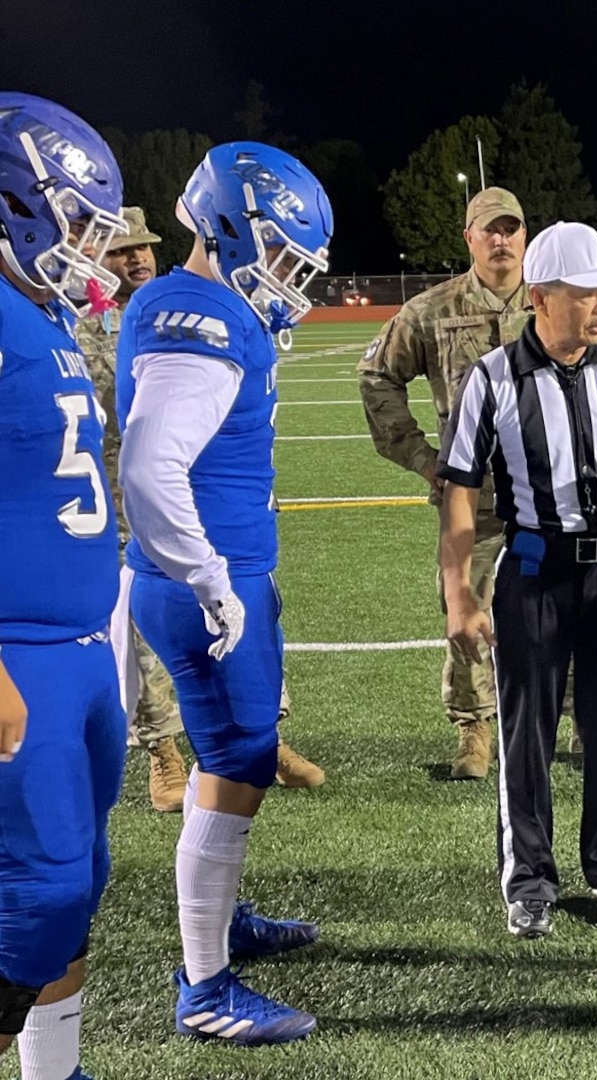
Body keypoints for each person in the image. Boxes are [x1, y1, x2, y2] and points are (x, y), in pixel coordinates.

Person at [117, 142, 332, 1045]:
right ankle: (205, 986)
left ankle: (219, 919)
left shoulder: (199, 304)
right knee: (237, 765)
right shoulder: (197, 313)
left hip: (203, 571)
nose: (289, 281)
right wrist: (209, 577)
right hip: (200, 581)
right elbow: (150, 464)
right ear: (233, 228)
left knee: (231, 762)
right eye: (280, 255)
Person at [438, 221, 597, 939]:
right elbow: (458, 492)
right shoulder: (492, 378)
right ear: (540, 297)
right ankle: (530, 880)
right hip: (535, 574)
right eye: (587, 291)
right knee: (526, 735)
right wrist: (458, 594)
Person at [76, 209, 324, 809]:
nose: (134, 258)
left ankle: (260, 739)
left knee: (240, 656)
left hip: (198, 511)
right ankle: (162, 752)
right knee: (145, 647)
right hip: (121, 509)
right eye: (119, 251)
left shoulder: (183, 306)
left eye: (141, 248)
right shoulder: (90, 327)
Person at [0, 92, 130, 1080]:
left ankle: (57, 1073)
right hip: (20, 658)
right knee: (30, 898)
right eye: (81, 219)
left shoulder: (38, 312)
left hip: (80, 652)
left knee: (79, 880)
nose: (92, 243)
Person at [360, 187, 576, 778]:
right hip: (473, 500)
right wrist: (425, 458)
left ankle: (572, 716)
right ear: (470, 238)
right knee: (468, 607)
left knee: (564, 600)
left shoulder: (555, 301)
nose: (501, 239)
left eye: (512, 227)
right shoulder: (432, 310)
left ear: (526, 235)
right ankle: (474, 728)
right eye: (489, 229)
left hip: (552, 495)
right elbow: (377, 375)